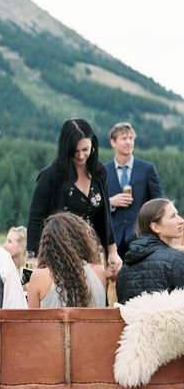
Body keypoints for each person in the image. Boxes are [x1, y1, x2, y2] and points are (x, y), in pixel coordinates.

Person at [27, 118, 122, 279]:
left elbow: (105, 216)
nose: (81, 155)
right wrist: (33, 258)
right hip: (59, 254)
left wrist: (112, 251)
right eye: (75, 151)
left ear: (93, 145)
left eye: (85, 149)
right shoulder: (51, 175)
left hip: (93, 254)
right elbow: (35, 218)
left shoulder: (99, 172)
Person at [105, 122, 164, 259]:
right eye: (124, 138)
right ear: (113, 142)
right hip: (112, 242)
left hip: (142, 238)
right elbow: (95, 203)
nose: (129, 142)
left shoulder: (147, 169)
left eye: (131, 138)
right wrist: (111, 202)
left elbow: (159, 202)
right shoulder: (103, 171)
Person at [27, 212, 106, 308]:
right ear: (80, 240)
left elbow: (33, 321)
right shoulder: (99, 272)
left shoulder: (39, 277)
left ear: (47, 246)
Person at [116, 198, 184, 303]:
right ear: (155, 227)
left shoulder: (123, 270)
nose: (181, 220)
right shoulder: (178, 260)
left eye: (177, 214)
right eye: (172, 216)